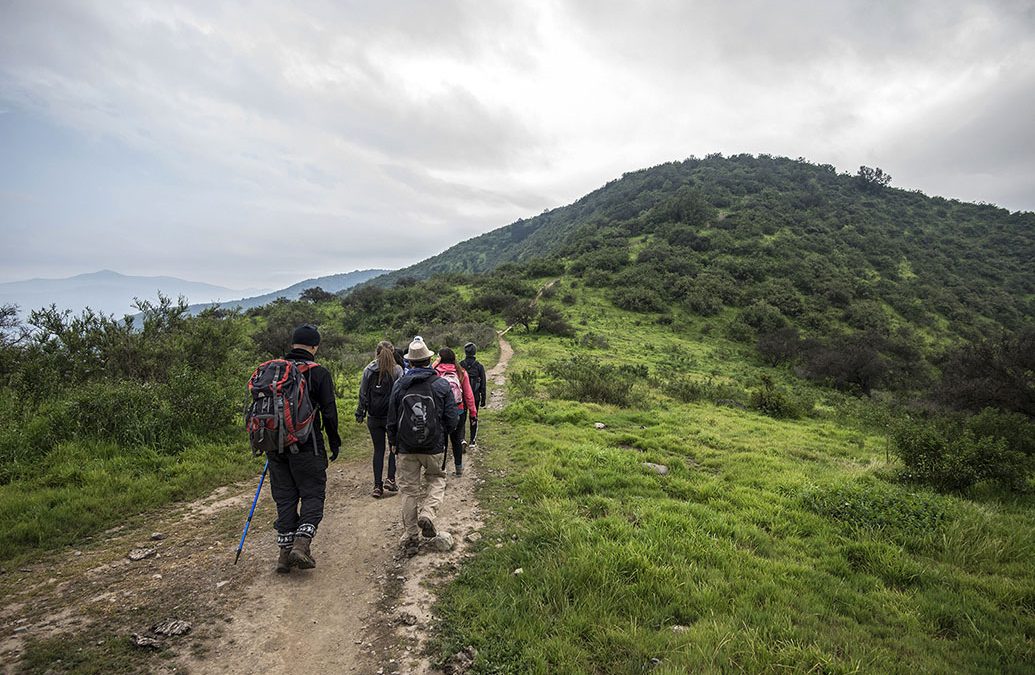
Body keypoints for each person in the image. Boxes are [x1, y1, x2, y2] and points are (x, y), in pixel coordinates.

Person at [269, 324, 341, 573]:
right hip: (307, 445)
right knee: (312, 493)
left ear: (292, 345)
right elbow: (329, 412)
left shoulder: (274, 371)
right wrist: (334, 441)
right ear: (314, 347)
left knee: (285, 497)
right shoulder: (318, 373)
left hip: (275, 446)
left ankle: (283, 554)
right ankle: (301, 544)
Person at [387, 338, 459, 549]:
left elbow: (392, 418)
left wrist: (393, 441)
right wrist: (443, 434)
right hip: (434, 446)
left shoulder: (400, 385)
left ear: (410, 363)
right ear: (429, 360)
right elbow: (452, 418)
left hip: (406, 447)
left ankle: (411, 535)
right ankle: (427, 513)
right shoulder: (441, 384)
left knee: (409, 490)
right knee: (437, 480)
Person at [356, 340, 403, 498]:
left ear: (376, 353)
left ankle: (377, 486)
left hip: (374, 416)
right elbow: (400, 394)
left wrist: (360, 412)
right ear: (393, 352)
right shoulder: (397, 370)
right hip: (391, 417)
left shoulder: (368, 369)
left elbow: (362, 393)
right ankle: (390, 478)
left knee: (378, 450)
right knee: (393, 448)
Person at [434, 348, 477, 476]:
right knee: (457, 439)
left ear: (441, 358)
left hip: (441, 412)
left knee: (443, 442)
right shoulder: (461, 372)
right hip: (459, 411)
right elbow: (469, 395)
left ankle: (442, 469)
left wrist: (435, 363)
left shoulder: (435, 373)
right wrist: (473, 413)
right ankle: (458, 469)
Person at [459, 342, 487, 445]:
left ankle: (462, 439)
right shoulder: (479, 366)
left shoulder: (460, 365)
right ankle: (472, 441)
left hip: (462, 397)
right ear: (475, 352)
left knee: (462, 417)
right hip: (475, 397)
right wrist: (483, 398)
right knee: (473, 416)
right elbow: (483, 384)